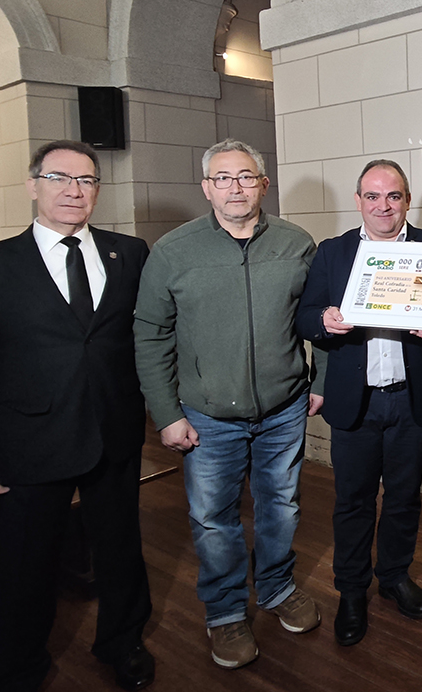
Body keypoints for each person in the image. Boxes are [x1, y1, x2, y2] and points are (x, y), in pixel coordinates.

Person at [134, 138, 320, 670]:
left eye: (245, 176)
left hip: (284, 409)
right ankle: (224, 613)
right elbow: (150, 336)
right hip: (208, 415)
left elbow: (322, 317)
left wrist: (319, 379)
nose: (234, 187)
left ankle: (279, 589)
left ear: (264, 183)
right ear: (206, 188)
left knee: (281, 507)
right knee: (214, 519)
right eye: (222, 178)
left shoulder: (297, 243)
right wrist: (167, 414)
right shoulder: (173, 251)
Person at [0, 141, 154, 692]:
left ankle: (122, 643)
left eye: (87, 180)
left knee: (121, 551)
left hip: (113, 433)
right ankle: (13, 669)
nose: (75, 190)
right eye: (59, 178)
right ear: (33, 185)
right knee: (23, 567)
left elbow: (142, 340)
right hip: (27, 442)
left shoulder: (131, 253)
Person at [295, 159, 422, 646]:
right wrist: (325, 318)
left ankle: (395, 578)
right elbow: (304, 318)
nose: (382, 206)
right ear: (358, 200)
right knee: (353, 502)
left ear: (407, 200)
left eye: (393, 196)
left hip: (412, 400)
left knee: (405, 498)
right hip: (354, 403)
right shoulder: (333, 253)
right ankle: (351, 591)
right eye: (372, 196)